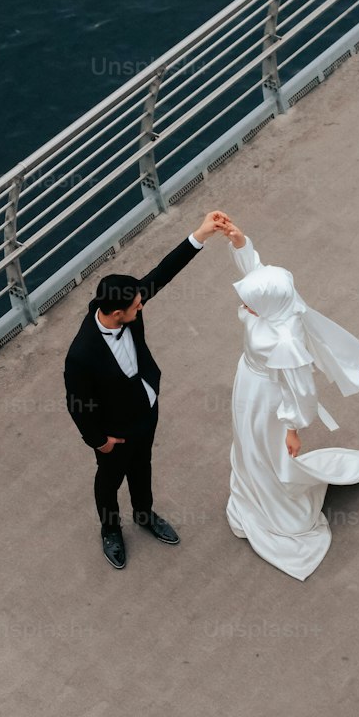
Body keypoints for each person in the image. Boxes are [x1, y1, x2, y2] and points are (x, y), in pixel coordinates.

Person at [215, 213, 359, 580]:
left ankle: (276, 506)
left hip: (267, 399)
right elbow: (258, 273)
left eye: (250, 303)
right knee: (248, 444)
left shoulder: (286, 340)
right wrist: (240, 242)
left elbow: (301, 389)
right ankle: (254, 487)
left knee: (268, 450)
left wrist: (292, 427)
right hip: (248, 382)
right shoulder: (276, 301)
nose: (245, 306)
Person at [64, 209, 229, 568]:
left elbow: (161, 274)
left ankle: (144, 514)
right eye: (136, 307)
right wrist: (100, 441)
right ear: (117, 313)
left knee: (143, 467)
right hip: (114, 431)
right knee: (108, 482)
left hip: (145, 412)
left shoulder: (123, 303)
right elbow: (77, 404)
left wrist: (200, 234)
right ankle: (110, 531)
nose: (142, 307)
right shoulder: (82, 354)